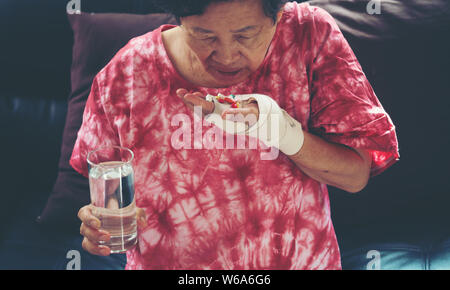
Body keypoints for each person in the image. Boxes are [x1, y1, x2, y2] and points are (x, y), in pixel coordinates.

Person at [74, 0, 399, 269]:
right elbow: (113, 207)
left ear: (278, 16)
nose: (227, 56)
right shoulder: (128, 73)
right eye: (204, 36)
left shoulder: (308, 35)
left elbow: (355, 175)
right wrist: (101, 227)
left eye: (247, 36)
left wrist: (283, 131)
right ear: (180, 18)